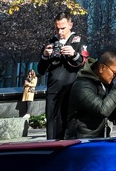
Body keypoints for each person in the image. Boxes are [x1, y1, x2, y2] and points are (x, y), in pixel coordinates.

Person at [36, 10, 89, 139]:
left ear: (70, 25)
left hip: (72, 90)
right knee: (52, 124)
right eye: (57, 28)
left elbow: (86, 65)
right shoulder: (50, 42)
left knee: (70, 124)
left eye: (63, 28)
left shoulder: (79, 41)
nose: (60, 32)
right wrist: (45, 55)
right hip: (53, 91)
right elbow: (41, 70)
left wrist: (74, 55)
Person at [64, 49, 116, 138]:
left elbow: (114, 116)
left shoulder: (104, 84)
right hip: (81, 142)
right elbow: (103, 110)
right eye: (115, 71)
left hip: (100, 139)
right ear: (101, 68)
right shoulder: (82, 86)